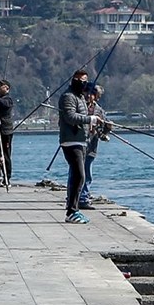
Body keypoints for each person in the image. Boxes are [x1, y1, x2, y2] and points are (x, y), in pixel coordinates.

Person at [59, 70, 103, 224]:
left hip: (81, 141)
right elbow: (70, 117)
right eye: (79, 80)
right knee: (79, 175)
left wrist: (92, 124)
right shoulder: (68, 97)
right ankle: (72, 211)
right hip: (71, 141)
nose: (83, 83)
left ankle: (73, 208)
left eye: (85, 81)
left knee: (79, 176)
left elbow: (83, 118)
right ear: (73, 80)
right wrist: (89, 118)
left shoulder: (80, 98)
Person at [78, 84, 111, 209]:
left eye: (97, 97)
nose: (94, 99)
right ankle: (75, 196)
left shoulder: (99, 110)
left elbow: (103, 129)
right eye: (94, 95)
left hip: (91, 146)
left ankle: (84, 197)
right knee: (76, 172)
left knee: (88, 173)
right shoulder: (80, 107)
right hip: (79, 144)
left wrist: (107, 130)